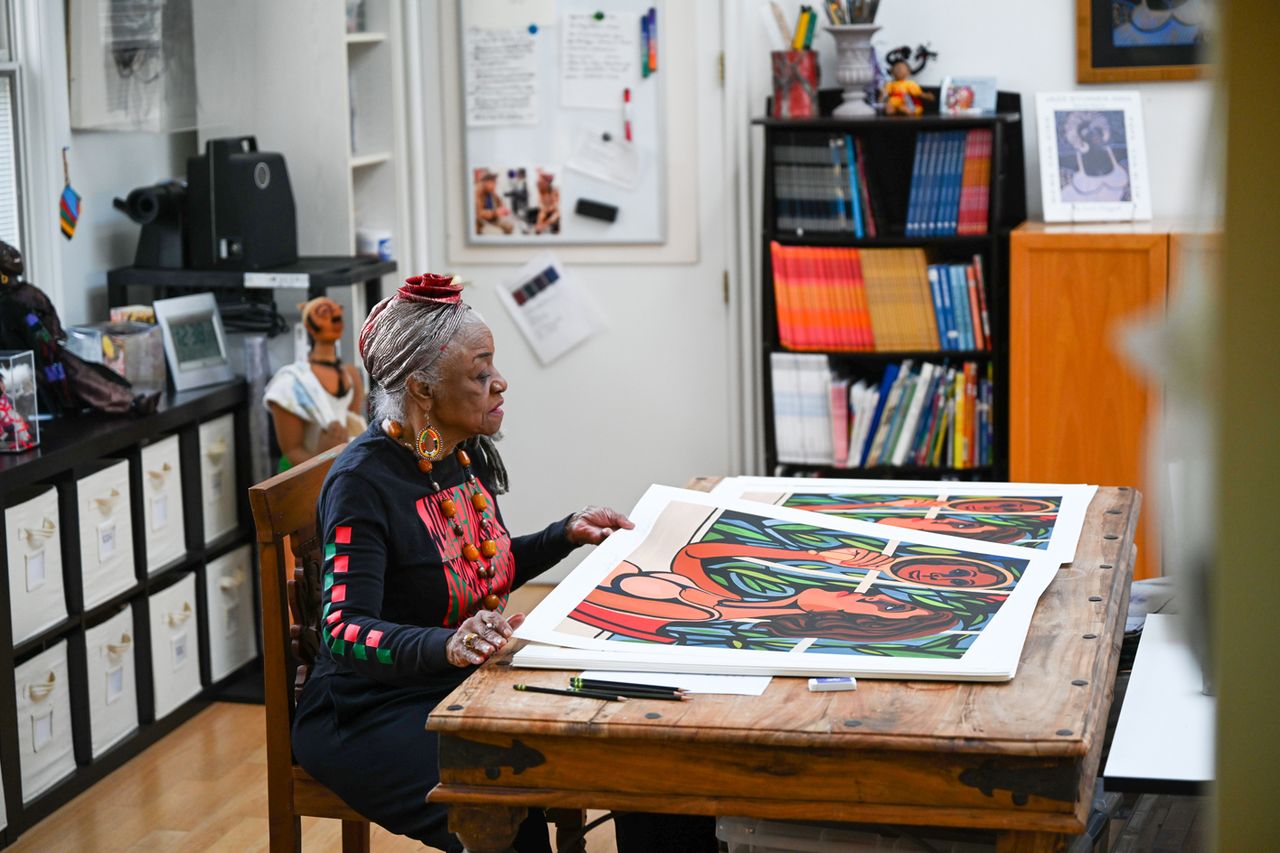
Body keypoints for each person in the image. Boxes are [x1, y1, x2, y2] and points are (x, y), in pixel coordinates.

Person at [292, 273, 686, 852]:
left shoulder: (448, 451)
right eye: (480, 373)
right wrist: (448, 645)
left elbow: (477, 568)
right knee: (506, 808)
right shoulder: (363, 484)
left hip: (456, 682)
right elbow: (345, 632)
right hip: (367, 710)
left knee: (641, 754)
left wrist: (563, 534)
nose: (500, 383)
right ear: (423, 391)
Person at [263, 296, 366, 471]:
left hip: (346, 465)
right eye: (324, 313)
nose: (334, 317)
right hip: (307, 476)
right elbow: (292, 451)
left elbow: (353, 425)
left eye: (336, 311)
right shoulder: (291, 383)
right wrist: (323, 456)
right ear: (310, 325)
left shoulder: (351, 375)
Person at [474, 168, 515, 234]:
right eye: (492, 182)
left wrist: (504, 209)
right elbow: (479, 214)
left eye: (494, 181)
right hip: (481, 222)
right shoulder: (477, 192)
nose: (495, 184)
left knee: (510, 226)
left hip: (492, 218)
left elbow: (499, 202)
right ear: (485, 182)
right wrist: (495, 213)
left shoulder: (491, 192)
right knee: (497, 232)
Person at [533, 170, 560, 235]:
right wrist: (543, 207)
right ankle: (539, 226)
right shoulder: (541, 191)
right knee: (541, 215)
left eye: (542, 182)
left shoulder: (554, 190)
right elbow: (540, 202)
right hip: (545, 209)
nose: (539, 183)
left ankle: (543, 226)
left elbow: (556, 204)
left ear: (548, 183)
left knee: (555, 216)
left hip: (554, 210)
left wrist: (550, 208)